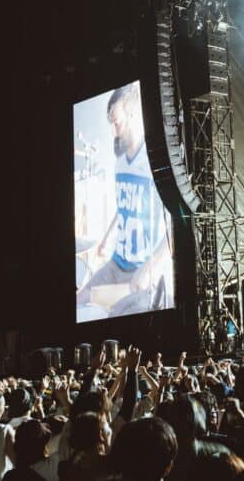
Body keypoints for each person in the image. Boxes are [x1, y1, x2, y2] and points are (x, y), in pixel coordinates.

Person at [76, 83, 173, 314]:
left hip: (141, 272)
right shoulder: (119, 160)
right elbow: (124, 205)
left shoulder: (153, 160)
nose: (113, 131)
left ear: (132, 115)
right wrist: (106, 238)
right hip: (116, 263)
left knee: (114, 314)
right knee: (79, 301)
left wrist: (151, 266)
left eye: (116, 123)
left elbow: (177, 225)